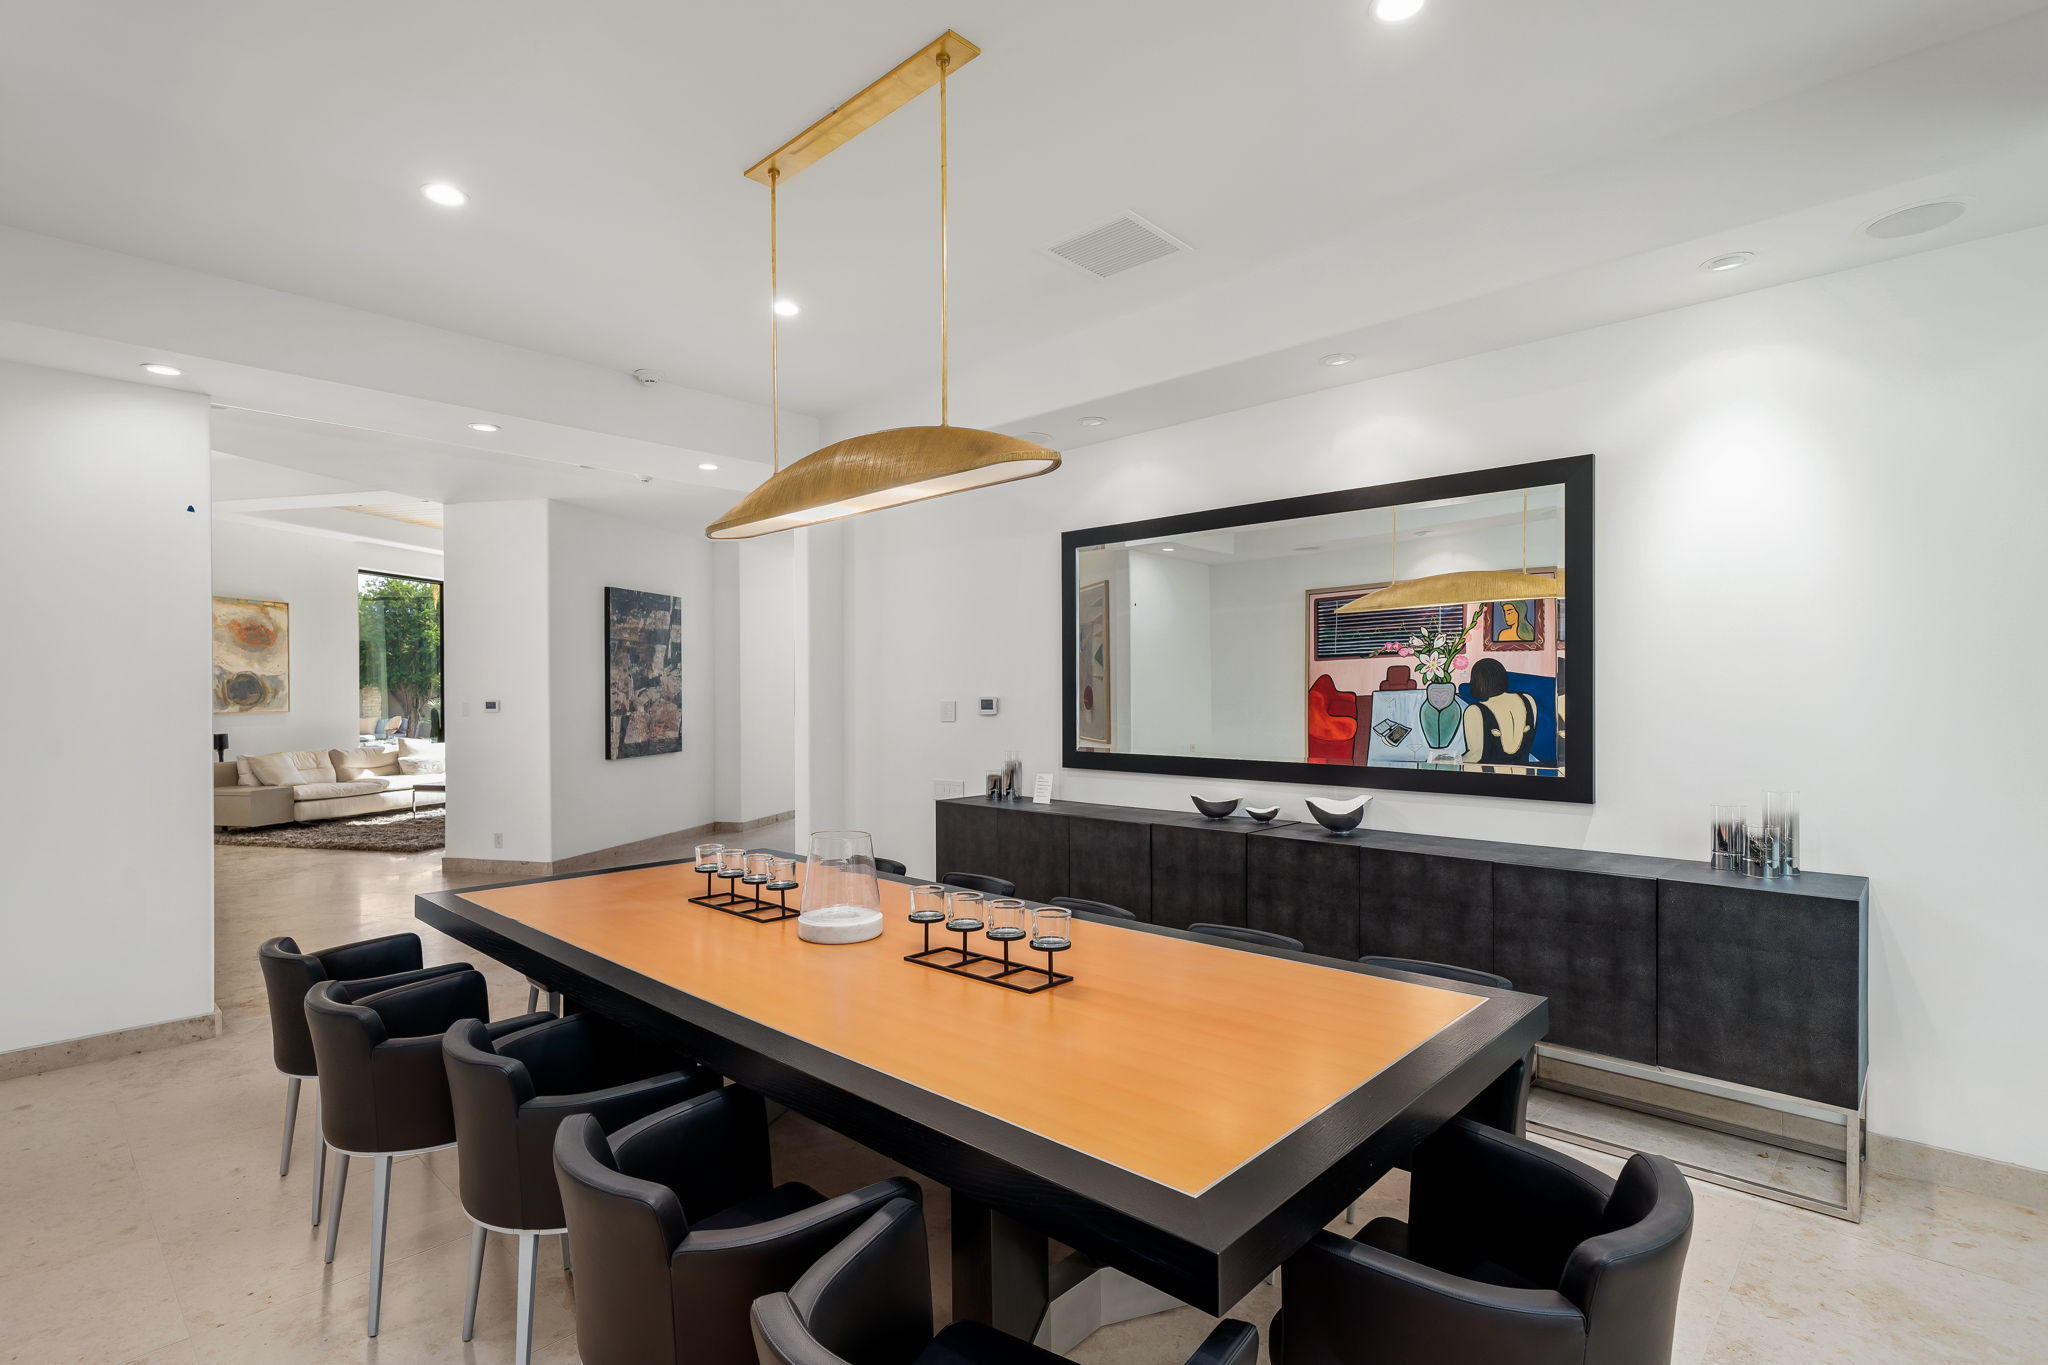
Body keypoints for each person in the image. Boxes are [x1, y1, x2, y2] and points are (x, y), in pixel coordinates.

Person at [1459, 658, 1537, 766]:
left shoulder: (1475, 711)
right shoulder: (1528, 699)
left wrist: (1451, 761)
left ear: (1477, 682)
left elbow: (1475, 756)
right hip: (1523, 771)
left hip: (1489, 773)